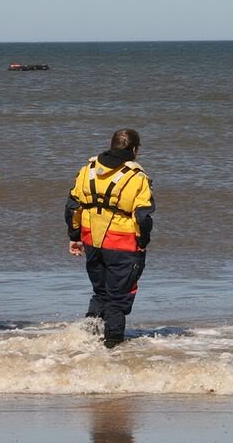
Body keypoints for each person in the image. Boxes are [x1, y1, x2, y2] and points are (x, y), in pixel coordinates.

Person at [64, 129, 155, 348]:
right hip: (122, 244)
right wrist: (142, 244)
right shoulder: (136, 177)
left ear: (112, 145)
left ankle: (87, 340)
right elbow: (142, 217)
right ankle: (113, 347)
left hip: (91, 240)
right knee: (117, 298)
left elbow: (71, 207)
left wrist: (74, 236)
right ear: (134, 150)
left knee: (100, 292)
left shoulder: (88, 170)